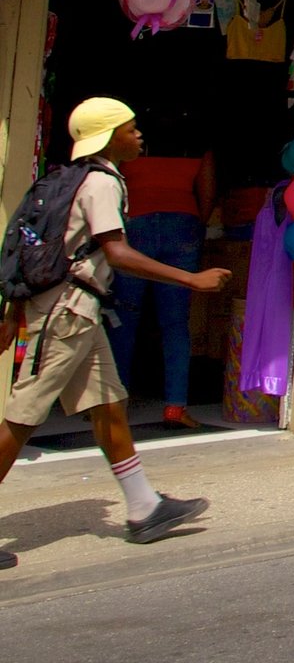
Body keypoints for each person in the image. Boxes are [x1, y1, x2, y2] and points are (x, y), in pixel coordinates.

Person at [0, 99, 231, 570]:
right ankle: (144, 505)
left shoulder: (71, 178)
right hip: (68, 315)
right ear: (108, 138)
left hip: (78, 312)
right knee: (23, 418)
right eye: (130, 129)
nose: (139, 135)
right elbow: (118, 253)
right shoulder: (102, 182)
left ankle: (144, 506)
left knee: (110, 405)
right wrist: (190, 279)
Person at [107, 147, 216, 429]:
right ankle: (175, 407)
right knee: (176, 323)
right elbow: (207, 189)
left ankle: (115, 406)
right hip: (182, 222)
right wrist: (197, 223)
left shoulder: (129, 139)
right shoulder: (194, 138)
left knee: (123, 319)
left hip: (136, 224)